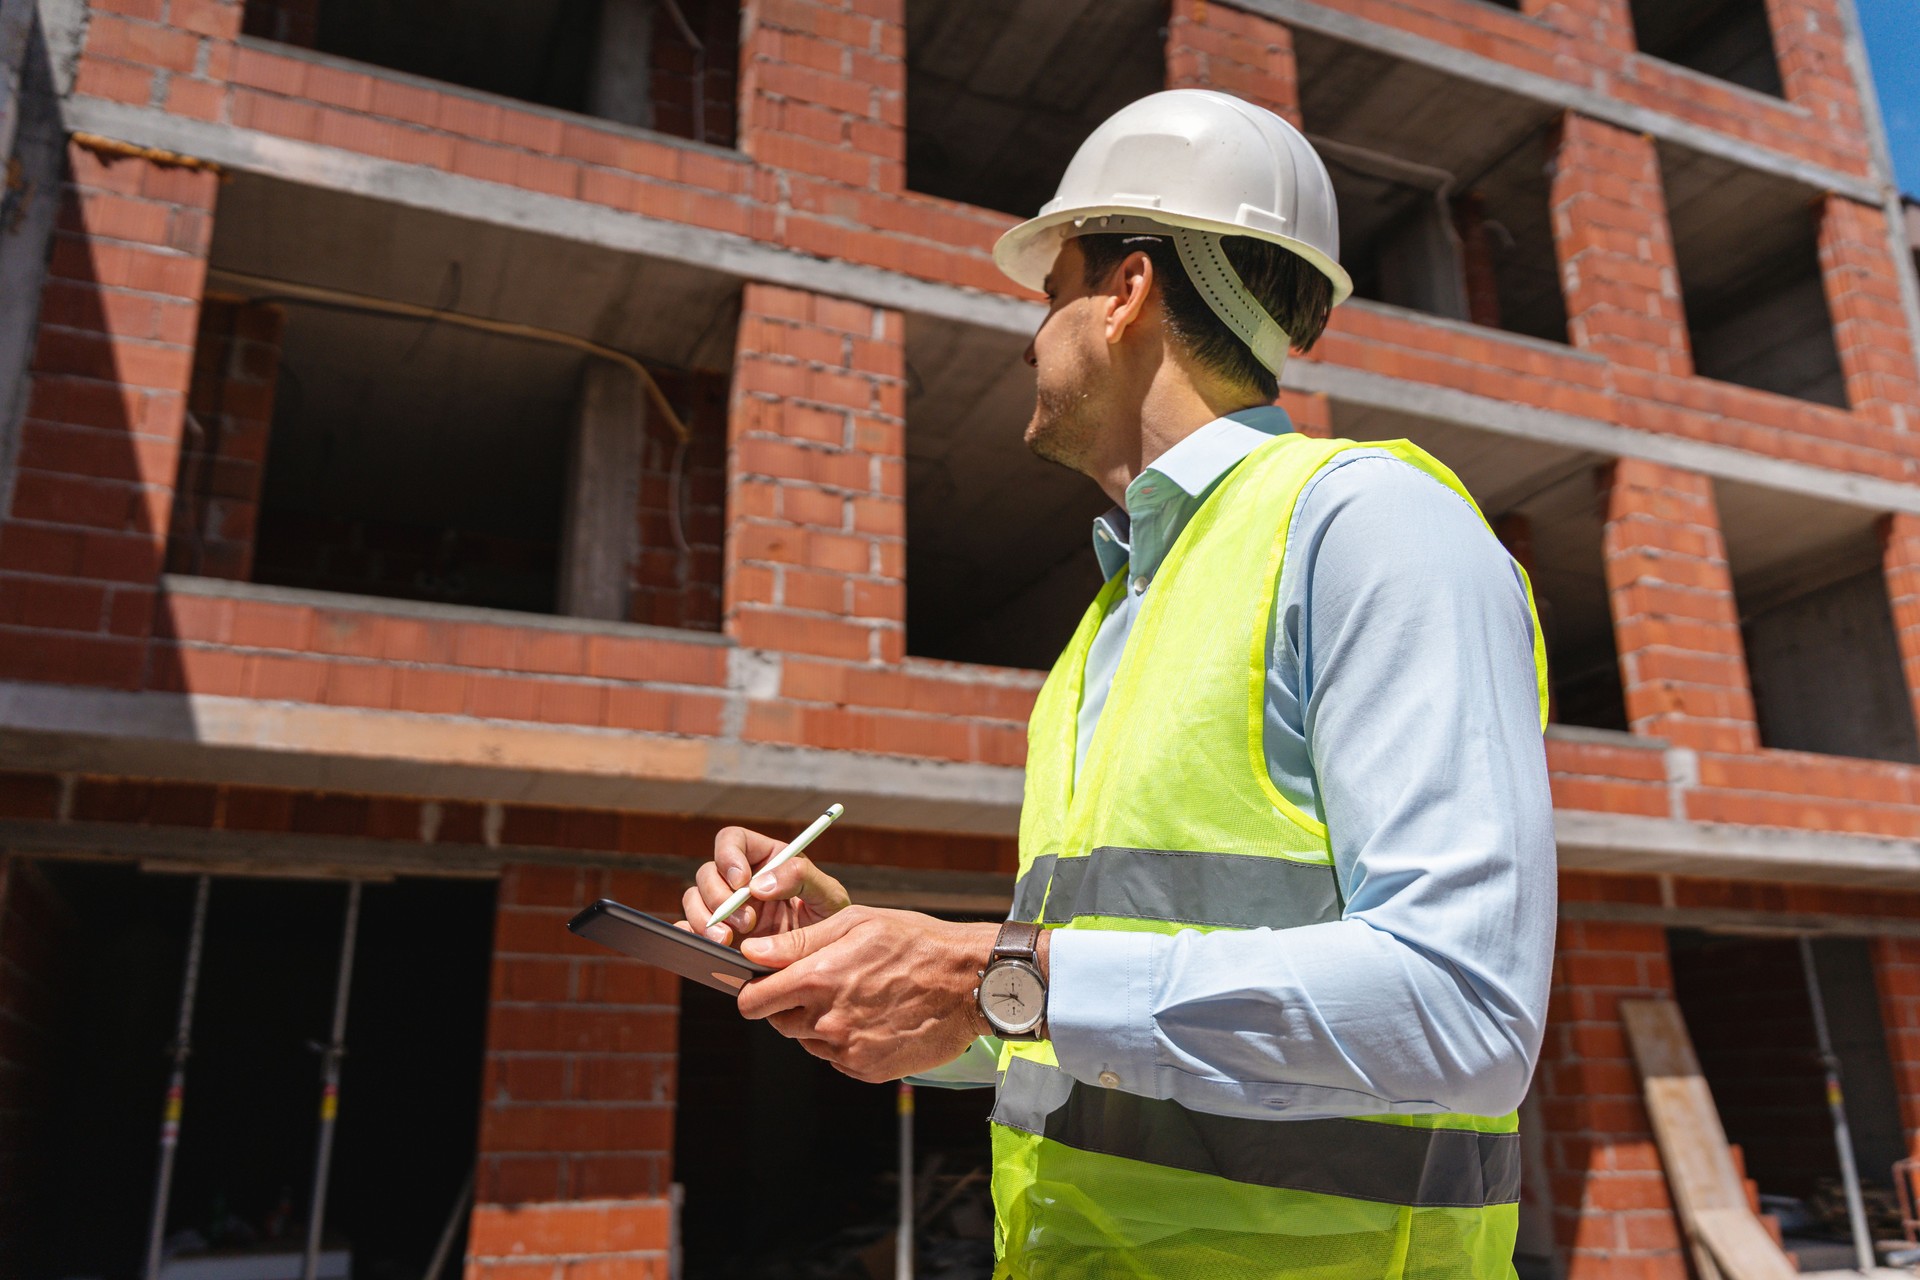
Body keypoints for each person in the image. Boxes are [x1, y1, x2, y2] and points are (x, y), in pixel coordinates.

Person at [679, 89, 1555, 1279]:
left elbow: (1466, 1012)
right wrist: (898, 986)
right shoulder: (1109, 620)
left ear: (1128, 289)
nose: (1029, 337)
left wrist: (984, 970)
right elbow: (1089, 1030)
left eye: (1048, 297)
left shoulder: (1369, 523)